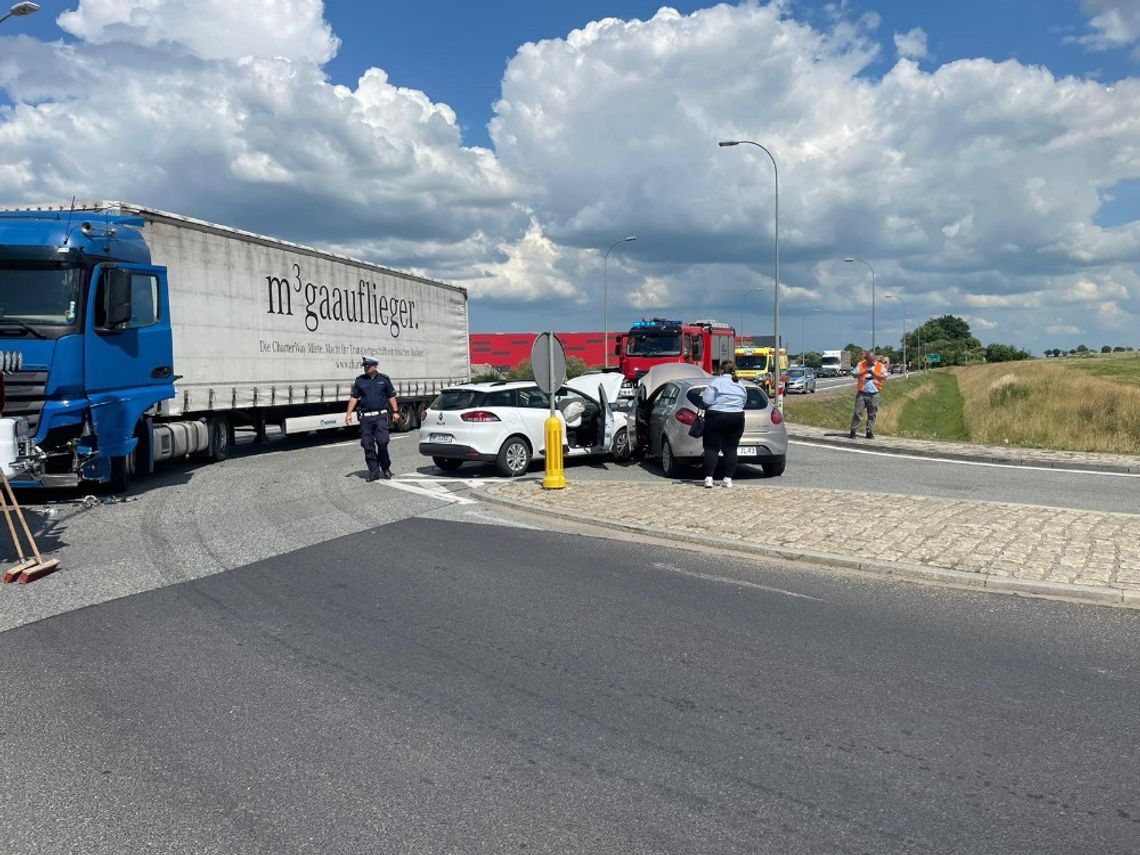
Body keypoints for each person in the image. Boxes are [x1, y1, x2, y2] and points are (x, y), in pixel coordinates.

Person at [345, 356, 400, 481]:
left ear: (375, 367)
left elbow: (391, 396)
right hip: (366, 419)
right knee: (367, 445)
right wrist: (348, 414)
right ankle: (374, 471)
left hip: (381, 416)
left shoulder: (384, 379)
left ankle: (385, 468)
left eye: (367, 366)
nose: (365, 368)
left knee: (382, 442)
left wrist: (395, 412)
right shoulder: (360, 380)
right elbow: (354, 397)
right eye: (365, 366)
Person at [700, 360, 747, 488]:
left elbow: (707, 400)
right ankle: (728, 479)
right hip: (736, 417)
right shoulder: (740, 384)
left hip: (716, 416)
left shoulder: (715, 382)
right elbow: (743, 401)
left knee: (711, 448)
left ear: (721, 370)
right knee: (731, 448)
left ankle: (709, 478)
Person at [850, 350, 886, 439]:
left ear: (874, 358)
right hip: (862, 393)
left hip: (874, 393)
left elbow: (884, 377)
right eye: (869, 360)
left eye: (872, 359)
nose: (871, 362)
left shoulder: (880, 365)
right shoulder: (861, 364)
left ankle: (869, 432)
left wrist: (874, 374)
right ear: (866, 359)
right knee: (857, 412)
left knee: (872, 414)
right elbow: (854, 375)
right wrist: (863, 372)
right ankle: (853, 431)